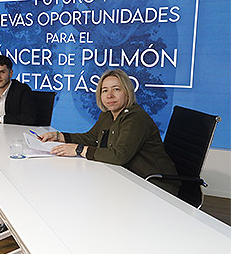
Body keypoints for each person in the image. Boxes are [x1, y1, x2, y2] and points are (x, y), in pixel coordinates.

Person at [39, 69, 180, 195]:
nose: (109, 95)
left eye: (116, 89)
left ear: (127, 92)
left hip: (154, 185)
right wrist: (59, 136)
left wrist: (78, 150)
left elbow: (119, 156)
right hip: (126, 177)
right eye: (104, 90)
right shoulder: (108, 114)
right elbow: (91, 138)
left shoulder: (135, 118)